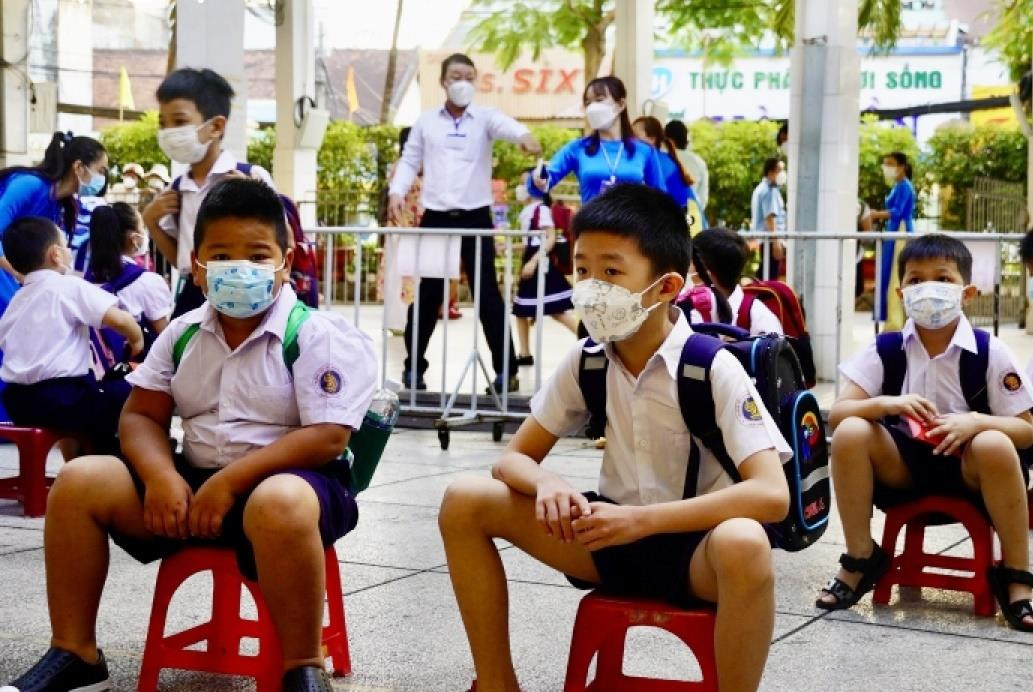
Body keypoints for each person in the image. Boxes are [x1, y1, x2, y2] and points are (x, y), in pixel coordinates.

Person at [0, 179, 377, 692]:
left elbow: (328, 436)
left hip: (296, 490)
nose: (239, 268)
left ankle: (303, 667)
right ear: (197, 266)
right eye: (221, 256)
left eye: (257, 255)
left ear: (285, 262)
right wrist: (160, 477)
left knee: (279, 501)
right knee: (80, 479)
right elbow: (140, 416)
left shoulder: (315, 334)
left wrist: (231, 483)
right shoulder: (182, 334)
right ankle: (76, 653)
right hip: (193, 492)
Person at [438, 184, 792, 692]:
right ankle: (496, 683)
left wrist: (642, 521)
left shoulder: (711, 366)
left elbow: (771, 494)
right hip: (606, 540)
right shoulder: (588, 360)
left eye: (611, 272)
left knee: (746, 542)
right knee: (464, 500)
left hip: (697, 551)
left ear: (667, 287)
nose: (590, 287)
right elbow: (512, 460)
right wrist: (547, 483)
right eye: (582, 270)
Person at [815, 234, 1033, 631]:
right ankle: (861, 558)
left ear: (967, 292)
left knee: (995, 442)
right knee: (850, 432)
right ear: (901, 293)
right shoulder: (885, 349)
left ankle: (1017, 576)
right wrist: (887, 404)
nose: (929, 289)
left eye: (943, 278)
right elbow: (839, 414)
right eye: (916, 280)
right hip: (904, 469)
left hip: (972, 471)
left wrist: (977, 422)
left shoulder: (990, 351)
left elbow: (1026, 430)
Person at [388, 53, 542, 392]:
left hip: (475, 216)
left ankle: (506, 372)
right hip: (436, 217)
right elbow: (410, 160)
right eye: (456, 76)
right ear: (443, 81)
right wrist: (397, 191)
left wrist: (525, 137)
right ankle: (413, 369)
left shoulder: (485, 118)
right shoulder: (426, 122)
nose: (463, 83)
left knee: (487, 295)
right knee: (428, 295)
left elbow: (509, 127)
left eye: (469, 77)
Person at [0, 216, 143, 455]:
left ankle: (84, 458)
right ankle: (113, 458)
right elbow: (119, 320)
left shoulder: (16, 300)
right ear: (56, 254)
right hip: (64, 398)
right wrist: (137, 338)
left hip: (17, 402)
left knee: (93, 403)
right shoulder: (67, 286)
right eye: (65, 245)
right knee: (128, 392)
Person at [142, 67, 274, 320]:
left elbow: (283, 238)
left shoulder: (251, 176)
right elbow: (183, 259)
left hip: (247, 291)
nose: (169, 132)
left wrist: (254, 197)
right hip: (195, 292)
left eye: (179, 122)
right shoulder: (177, 190)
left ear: (215, 126)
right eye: (163, 123)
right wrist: (151, 222)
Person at [532, 76, 665, 204]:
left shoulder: (644, 151)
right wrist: (538, 179)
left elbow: (661, 199)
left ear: (621, 104)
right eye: (588, 103)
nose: (592, 108)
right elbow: (543, 183)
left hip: (632, 220)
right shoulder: (577, 148)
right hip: (591, 219)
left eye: (599, 99)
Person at [511, 169, 577, 366]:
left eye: (524, 183)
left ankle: (589, 341)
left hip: (540, 263)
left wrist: (534, 262)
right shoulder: (528, 210)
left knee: (556, 310)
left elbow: (549, 238)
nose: (520, 188)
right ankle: (524, 353)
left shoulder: (542, 209)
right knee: (522, 309)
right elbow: (531, 240)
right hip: (532, 260)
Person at [86, 203, 173, 345]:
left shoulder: (86, 280)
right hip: (138, 358)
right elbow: (165, 337)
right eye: (142, 227)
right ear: (134, 239)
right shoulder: (148, 282)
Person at [688, 228, 783, 336]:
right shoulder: (688, 311)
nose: (685, 268)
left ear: (704, 274)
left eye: (690, 261)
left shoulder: (760, 319)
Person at [868, 151, 916, 324]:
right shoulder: (898, 186)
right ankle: (890, 317)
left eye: (890, 164)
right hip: (894, 232)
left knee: (896, 274)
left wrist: (875, 214)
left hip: (900, 233)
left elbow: (897, 212)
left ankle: (897, 320)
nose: (886, 168)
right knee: (889, 273)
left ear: (901, 167)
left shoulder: (905, 186)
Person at [749, 157, 786, 280]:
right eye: (779, 170)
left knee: (765, 273)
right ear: (771, 172)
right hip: (769, 241)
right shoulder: (769, 191)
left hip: (766, 240)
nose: (782, 174)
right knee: (770, 276)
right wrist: (776, 243)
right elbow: (770, 217)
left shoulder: (762, 188)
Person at [664, 119, 709, 211]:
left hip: (664, 213)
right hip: (691, 213)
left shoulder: (661, 158)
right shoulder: (699, 161)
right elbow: (703, 197)